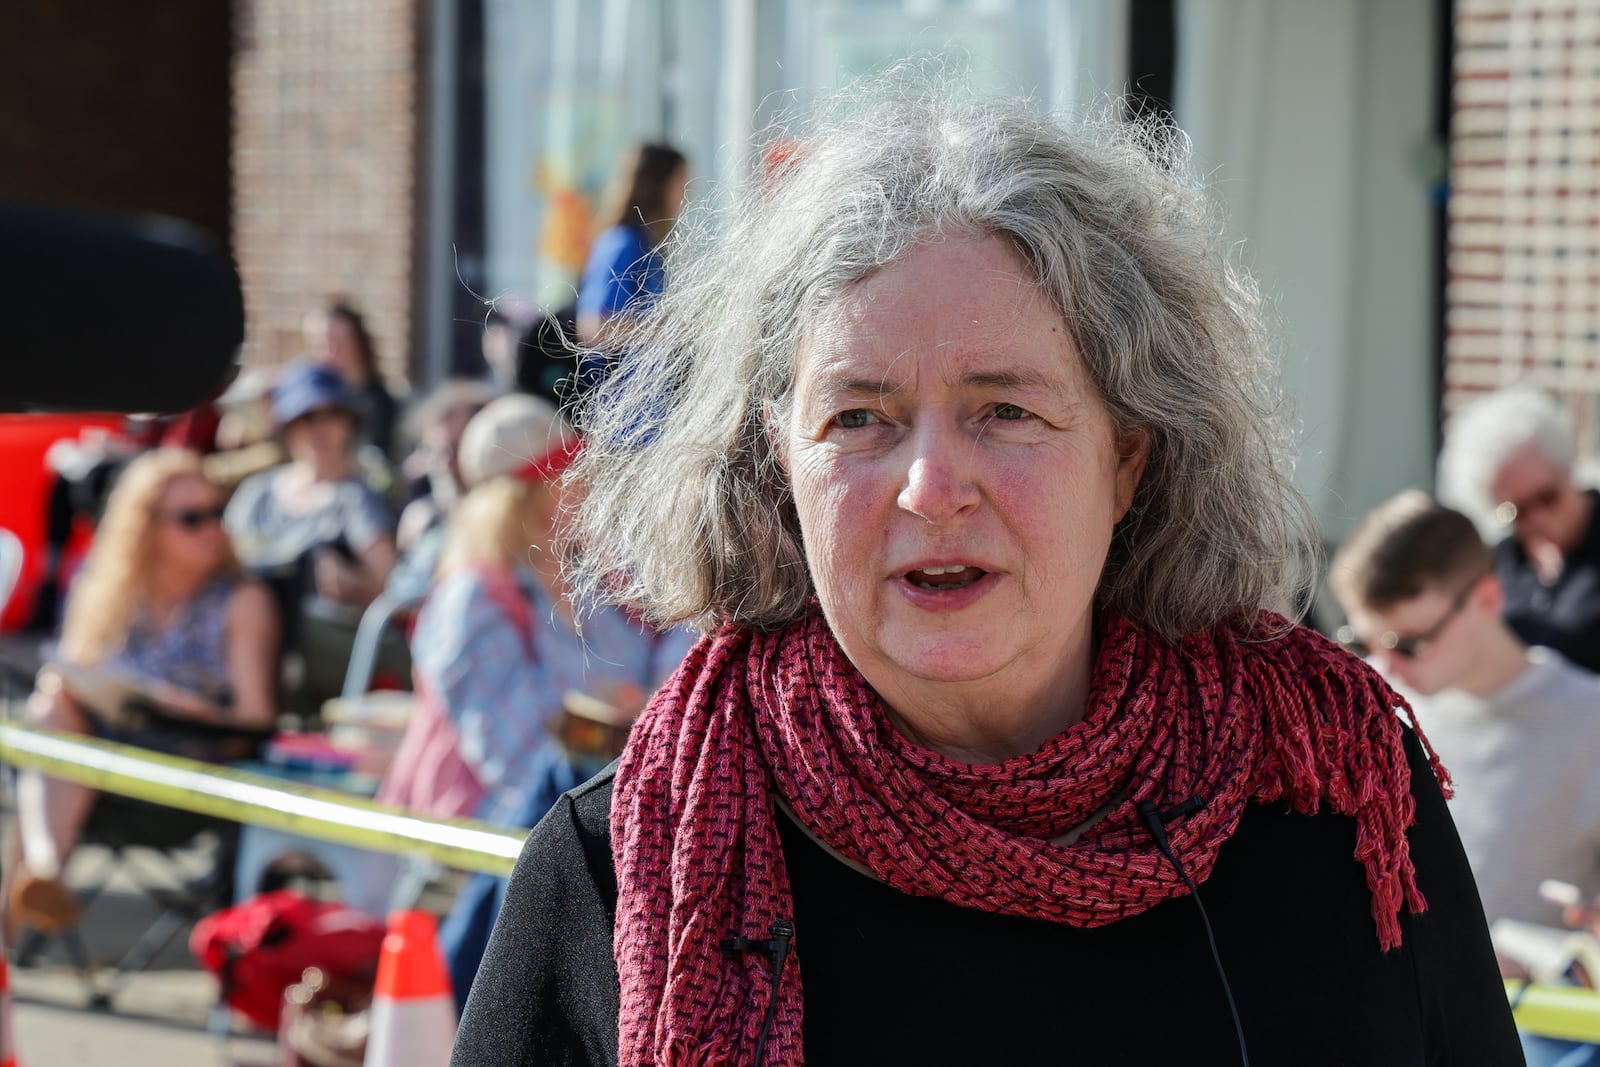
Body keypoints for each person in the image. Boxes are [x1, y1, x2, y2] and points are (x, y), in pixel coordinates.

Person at [455, 81, 1522, 1065]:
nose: (930, 485)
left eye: (1005, 409)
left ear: (1128, 458)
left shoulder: (1335, 790)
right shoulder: (640, 863)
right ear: (778, 464)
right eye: (858, 416)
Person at [4, 449, 280, 936]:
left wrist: (187, 709)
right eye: (191, 519)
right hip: (104, 759)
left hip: (184, 767)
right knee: (57, 699)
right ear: (146, 526)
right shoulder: (111, 589)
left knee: (52, 725)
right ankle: (40, 877)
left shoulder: (241, 600)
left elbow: (256, 720)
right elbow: (75, 665)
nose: (211, 528)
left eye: (216, 513)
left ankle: (39, 875)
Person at [1331, 491, 1600, 944]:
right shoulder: (1364, 707)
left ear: (1487, 600)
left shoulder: (1586, 721)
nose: (1384, 668)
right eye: (1363, 643)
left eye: (1408, 644)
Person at [1438, 385, 1600, 672]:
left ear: (1568, 469)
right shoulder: (1495, 563)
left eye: (1548, 497)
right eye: (1516, 510)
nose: (1538, 519)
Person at [224, 362, 398, 616]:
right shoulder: (257, 492)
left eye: (334, 415)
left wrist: (354, 584)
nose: (321, 430)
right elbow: (218, 560)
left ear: (350, 423)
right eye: (307, 418)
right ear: (287, 427)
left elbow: (390, 587)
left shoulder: (355, 499)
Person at [575, 142, 688, 350]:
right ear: (658, 184)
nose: (687, 193)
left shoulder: (644, 242)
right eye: (681, 181)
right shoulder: (625, 243)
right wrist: (667, 329)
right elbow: (594, 326)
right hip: (615, 379)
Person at [305, 300, 400, 459]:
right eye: (320, 344)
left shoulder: (379, 404)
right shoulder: (307, 402)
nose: (329, 352)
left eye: (338, 342)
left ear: (357, 343)